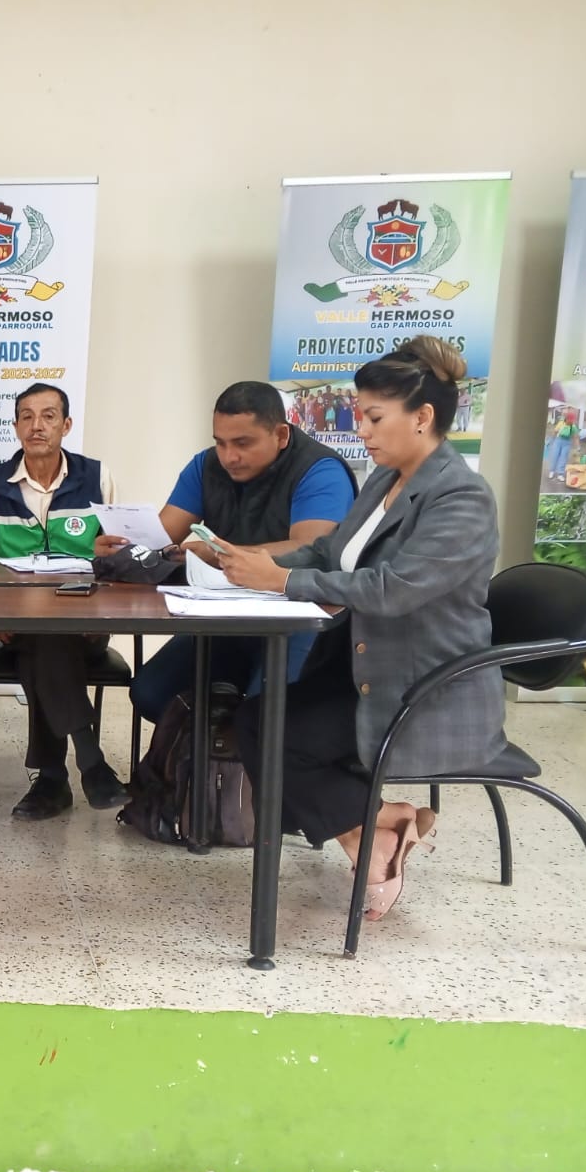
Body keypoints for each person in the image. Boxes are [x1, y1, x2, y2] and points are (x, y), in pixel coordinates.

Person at [216, 336, 498, 921]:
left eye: (373, 417)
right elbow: (331, 552)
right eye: (359, 416)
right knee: (255, 719)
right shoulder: (384, 479)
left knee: (281, 737)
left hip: (424, 687)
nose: (361, 431)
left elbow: (395, 588)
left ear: (422, 417)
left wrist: (281, 581)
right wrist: (254, 564)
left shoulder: (461, 495)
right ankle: (380, 824)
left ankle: (374, 839)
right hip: (366, 668)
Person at [0, 382, 130, 818]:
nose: (37, 426)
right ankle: (90, 765)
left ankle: (53, 779)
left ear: (66, 425)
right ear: (15, 427)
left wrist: (107, 562)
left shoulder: (97, 478)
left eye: (48, 416)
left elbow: (126, 555)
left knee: (47, 643)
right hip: (18, 624)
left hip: (85, 624)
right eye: (26, 417)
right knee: (44, 637)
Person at [127, 381, 357, 725]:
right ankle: (215, 749)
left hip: (298, 618)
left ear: (281, 435)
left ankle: (241, 745)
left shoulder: (320, 470)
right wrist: (124, 546)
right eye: (220, 442)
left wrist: (218, 553)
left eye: (242, 443)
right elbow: (161, 537)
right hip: (225, 614)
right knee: (150, 693)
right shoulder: (206, 465)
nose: (228, 457)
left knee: (266, 715)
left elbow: (311, 549)